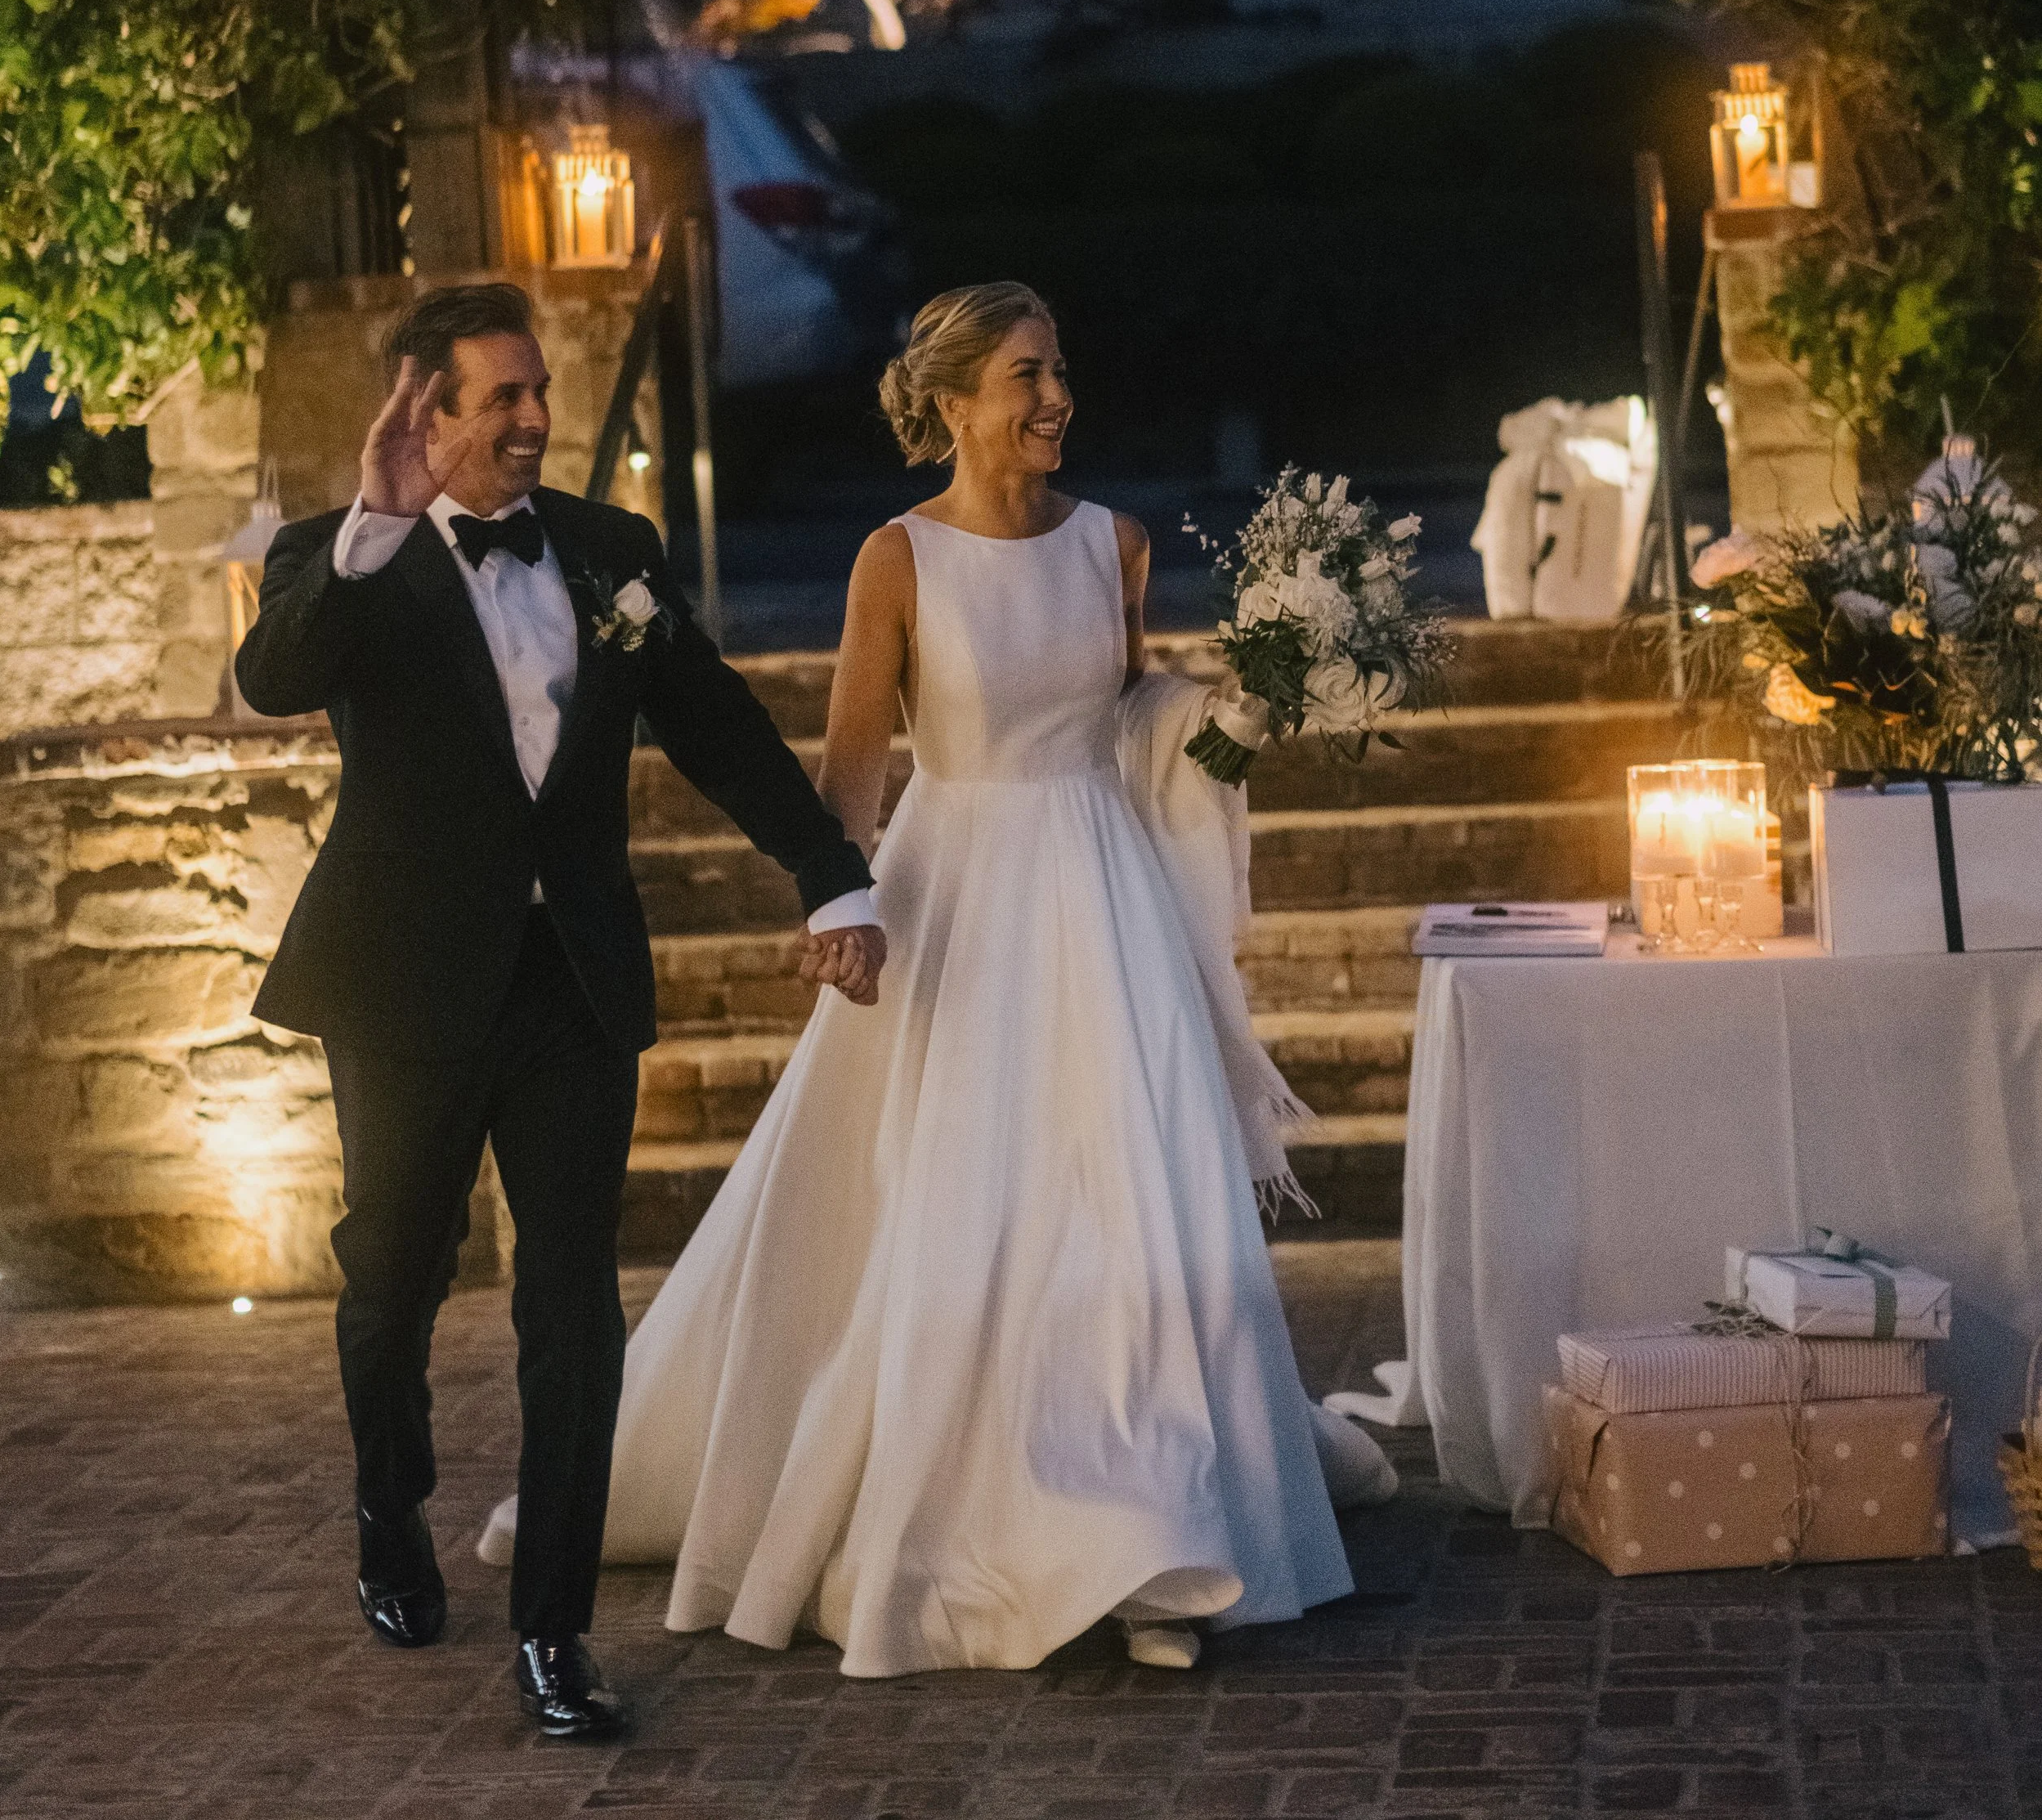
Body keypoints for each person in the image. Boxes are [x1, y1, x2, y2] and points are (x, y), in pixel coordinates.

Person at [485, 280, 1391, 1677]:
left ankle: (1154, 1526)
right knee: (969, 1211)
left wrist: (1240, 710)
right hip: (957, 901)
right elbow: (856, 763)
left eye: (1062, 372)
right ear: (957, 399)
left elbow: (1133, 723)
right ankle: (1020, 1526)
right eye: (1027, 375)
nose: (1056, 400)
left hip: (1105, 904)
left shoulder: (1119, 544)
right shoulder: (896, 560)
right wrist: (837, 897)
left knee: (1127, 1211)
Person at [235, 280, 879, 1739]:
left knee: (573, 1297)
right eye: (504, 398)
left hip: (572, 979)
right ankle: (391, 1507)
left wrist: (830, 872)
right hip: (400, 980)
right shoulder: (335, 559)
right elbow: (272, 680)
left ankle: (556, 1631)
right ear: (427, 411)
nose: (538, 419)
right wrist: (372, 524)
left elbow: (712, 722)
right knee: (393, 1270)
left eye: (540, 392)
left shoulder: (610, 552)